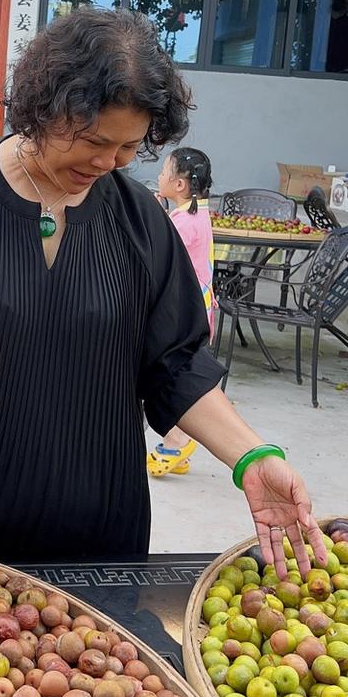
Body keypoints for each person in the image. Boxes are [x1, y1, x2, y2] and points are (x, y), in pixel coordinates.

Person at [0, 7, 325, 575]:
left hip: (92, 546)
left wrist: (251, 458)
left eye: (128, 148)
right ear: (43, 107)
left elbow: (177, 365)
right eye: (91, 140)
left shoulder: (141, 224)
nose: (106, 162)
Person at [147, 147, 213, 478]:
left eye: (163, 172)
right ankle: (180, 445)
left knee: (167, 380)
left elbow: (160, 260)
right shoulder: (197, 215)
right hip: (197, 310)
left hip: (182, 316)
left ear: (180, 185)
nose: (158, 177)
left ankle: (176, 439)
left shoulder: (182, 222)